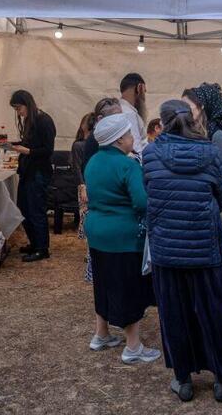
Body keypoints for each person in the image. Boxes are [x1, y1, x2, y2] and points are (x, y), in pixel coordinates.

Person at [143, 100, 222, 403]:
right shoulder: (210, 152)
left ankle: (182, 379)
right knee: (213, 312)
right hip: (205, 246)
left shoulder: (150, 153)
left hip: (167, 248)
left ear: (163, 122)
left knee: (174, 314)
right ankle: (221, 378)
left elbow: (149, 194)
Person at [83, 114, 160, 365]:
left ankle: (101, 334)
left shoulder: (93, 162)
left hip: (97, 232)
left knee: (103, 283)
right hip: (123, 236)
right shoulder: (128, 166)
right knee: (129, 288)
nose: (131, 138)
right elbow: (141, 202)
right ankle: (133, 347)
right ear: (118, 140)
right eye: (129, 135)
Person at [80, 97, 124, 282]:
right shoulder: (95, 141)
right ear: (100, 119)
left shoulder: (113, 138)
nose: (119, 120)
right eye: (115, 116)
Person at [9, 90, 57, 263]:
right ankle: (35, 242)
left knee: (36, 210)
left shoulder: (44, 121)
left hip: (39, 173)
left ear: (27, 103)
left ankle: (42, 249)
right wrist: (14, 145)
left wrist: (27, 151)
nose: (18, 112)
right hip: (28, 171)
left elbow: (47, 150)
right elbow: (32, 144)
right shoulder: (30, 121)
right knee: (24, 207)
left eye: (18, 108)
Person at [183, 84, 222, 173]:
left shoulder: (218, 135)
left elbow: (221, 172)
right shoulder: (190, 130)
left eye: (187, 107)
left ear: (201, 106)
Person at [71, 112, 95, 283]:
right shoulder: (79, 145)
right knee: (87, 219)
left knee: (88, 219)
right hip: (86, 187)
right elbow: (77, 168)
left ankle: (91, 252)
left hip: (89, 186)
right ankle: (89, 252)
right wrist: (82, 187)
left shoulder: (84, 145)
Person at [119, 73, 148, 156]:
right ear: (139, 88)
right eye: (144, 91)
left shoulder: (119, 108)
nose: (144, 97)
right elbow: (136, 150)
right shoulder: (129, 113)